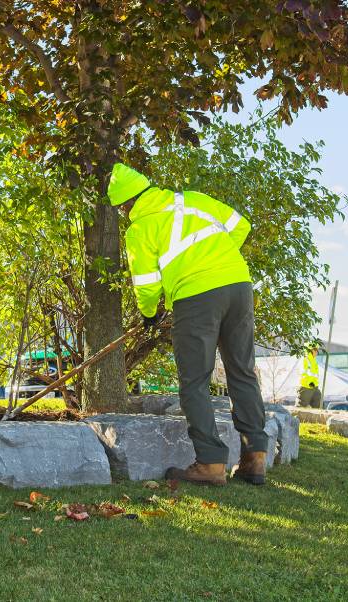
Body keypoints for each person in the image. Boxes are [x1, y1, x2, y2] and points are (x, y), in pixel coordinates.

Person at [107, 163, 269, 486]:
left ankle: (210, 464)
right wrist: (215, 261)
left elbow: (147, 283)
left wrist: (150, 313)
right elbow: (241, 226)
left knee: (195, 380)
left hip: (195, 298)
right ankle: (255, 459)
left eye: (122, 208)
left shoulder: (140, 228)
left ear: (126, 204)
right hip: (238, 284)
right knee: (242, 371)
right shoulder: (191, 199)